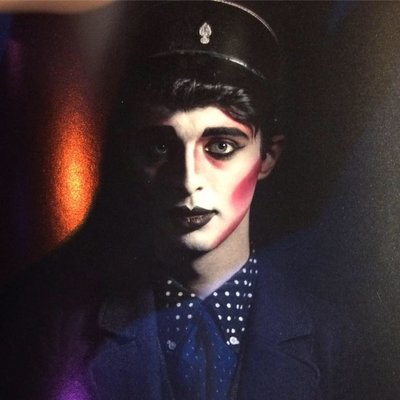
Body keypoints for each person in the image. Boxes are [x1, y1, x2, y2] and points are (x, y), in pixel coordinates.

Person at [1, 2, 357, 399]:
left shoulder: (336, 341)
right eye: (160, 147)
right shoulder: (57, 334)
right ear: (132, 154)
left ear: (267, 156)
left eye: (221, 146)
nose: (188, 180)